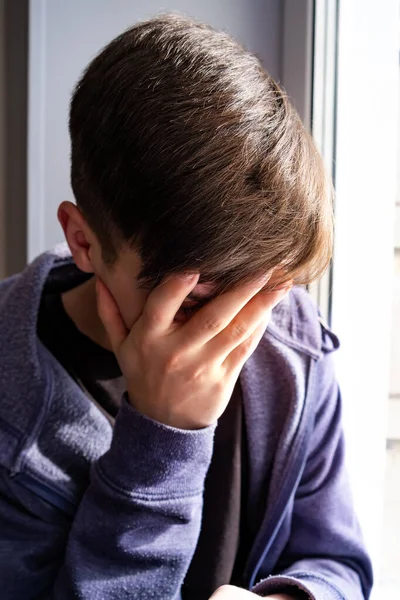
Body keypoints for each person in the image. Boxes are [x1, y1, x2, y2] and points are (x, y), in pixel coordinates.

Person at [0, 13, 372, 600]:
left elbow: (336, 560)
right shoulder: (10, 411)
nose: (240, 324)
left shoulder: (289, 332)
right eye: (194, 300)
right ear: (84, 242)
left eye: (264, 288)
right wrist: (163, 437)